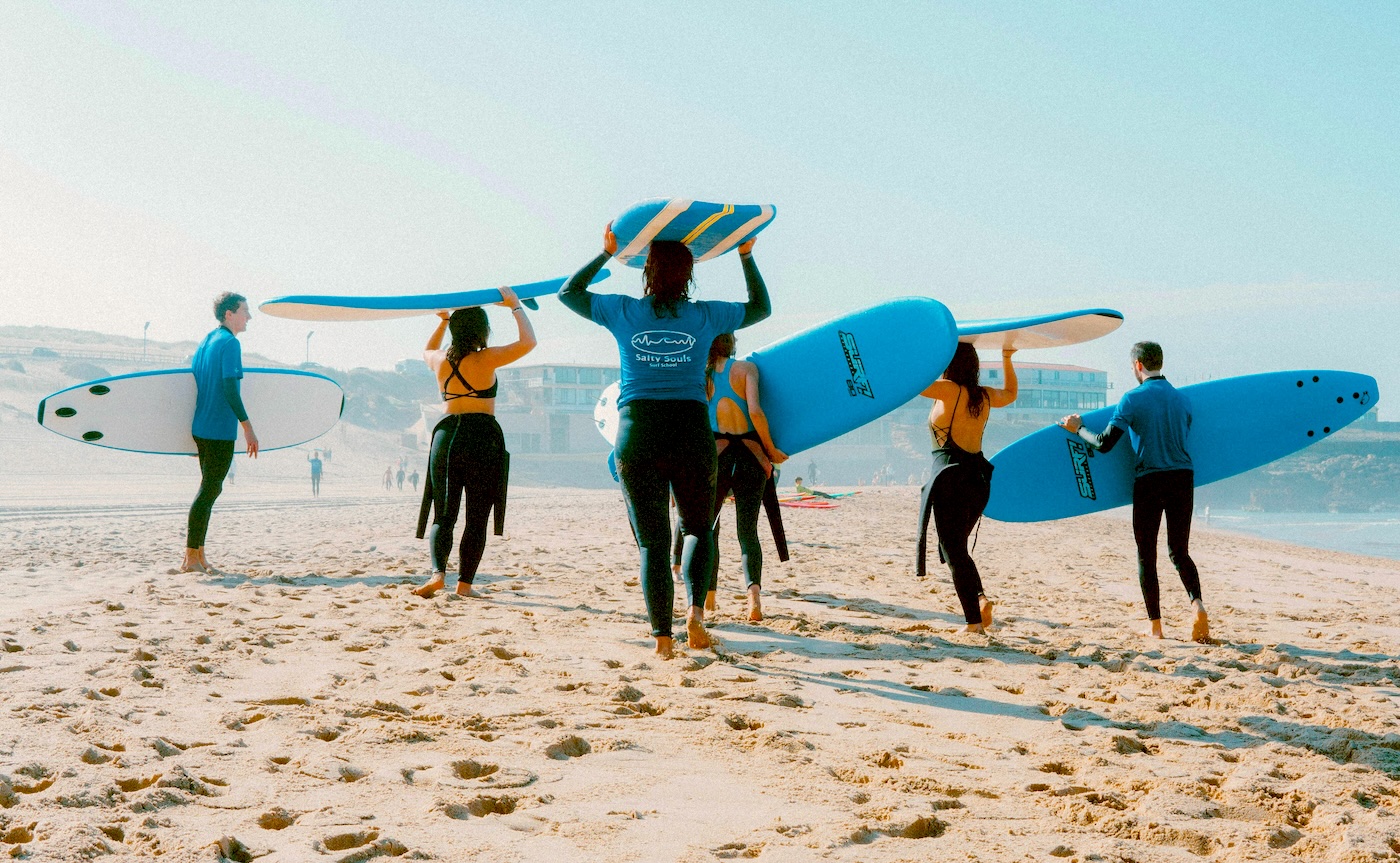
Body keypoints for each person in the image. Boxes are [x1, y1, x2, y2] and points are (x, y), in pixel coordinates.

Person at [561, 225, 771, 658]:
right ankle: (694, 615)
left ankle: (662, 640)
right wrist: (746, 256)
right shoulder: (706, 316)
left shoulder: (622, 311)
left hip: (637, 429)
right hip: (691, 428)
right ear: (689, 275)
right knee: (697, 527)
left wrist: (604, 253)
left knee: (652, 543)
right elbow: (761, 308)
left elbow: (569, 293)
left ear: (646, 272)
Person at [1060, 341, 1210, 643]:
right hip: (1183, 478)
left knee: (1147, 555)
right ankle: (1198, 605)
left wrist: (1077, 429)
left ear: (1138, 365)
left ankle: (1156, 626)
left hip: (1150, 480)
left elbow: (1104, 443)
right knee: (1179, 551)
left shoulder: (1131, 399)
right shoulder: (1183, 400)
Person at [412, 288, 536, 599]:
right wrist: (515, 307)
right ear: (482, 331)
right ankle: (465, 585)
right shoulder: (488, 358)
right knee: (477, 515)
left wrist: (441, 322)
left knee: (444, 514)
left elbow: (426, 351)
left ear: (454, 331)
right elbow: (528, 342)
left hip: (446, 436)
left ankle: (438, 574)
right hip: (481, 437)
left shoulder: (439, 360)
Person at [915, 342, 1018, 633]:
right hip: (978, 480)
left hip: (951, 478)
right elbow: (1011, 394)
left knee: (953, 549)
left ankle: (973, 622)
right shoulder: (981, 395)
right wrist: (1007, 357)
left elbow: (915, 383)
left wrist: (933, 350)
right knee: (956, 548)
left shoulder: (948, 390)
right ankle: (980, 599)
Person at [704, 332, 787, 622]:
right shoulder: (747, 370)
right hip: (751, 457)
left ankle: (709, 598)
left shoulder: (701, 376)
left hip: (716, 457)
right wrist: (770, 450)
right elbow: (755, 411)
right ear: (732, 344)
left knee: (708, 529)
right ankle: (753, 601)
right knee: (747, 533)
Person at [182, 292, 258, 574]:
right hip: (218, 429)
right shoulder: (230, 343)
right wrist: (248, 427)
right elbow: (229, 389)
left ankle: (198, 555)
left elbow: (194, 385)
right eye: (244, 311)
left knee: (210, 489)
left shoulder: (206, 342)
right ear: (230, 314)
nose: (249, 317)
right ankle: (191, 557)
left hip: (202, 427)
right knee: (208, 491)